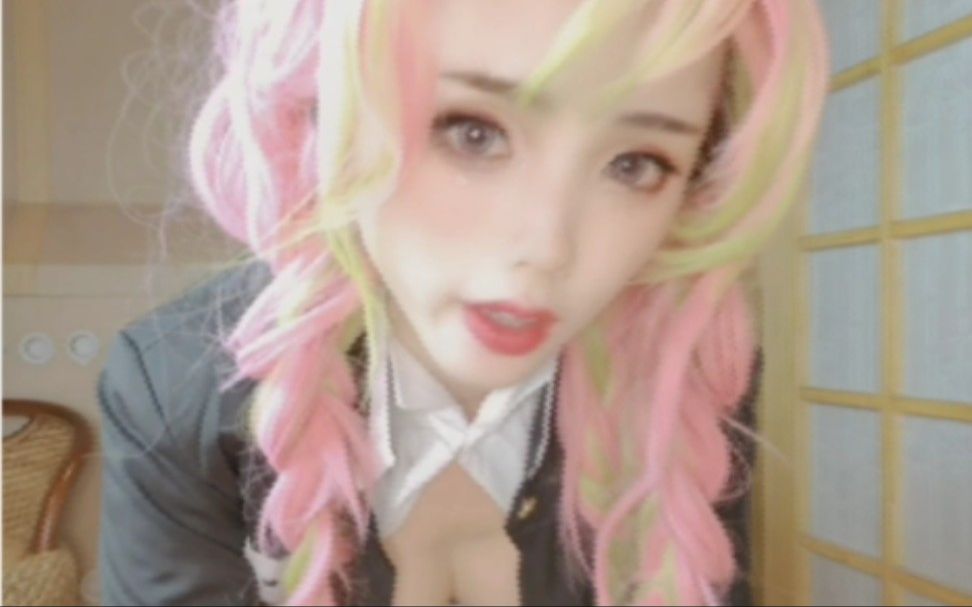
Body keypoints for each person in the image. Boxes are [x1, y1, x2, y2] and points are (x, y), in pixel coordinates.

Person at [97, 1, 829, 605]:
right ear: (324, 112)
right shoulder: (179, 384)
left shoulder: (685, 380)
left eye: (635, 164)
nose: (547, 248)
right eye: (471, 132)